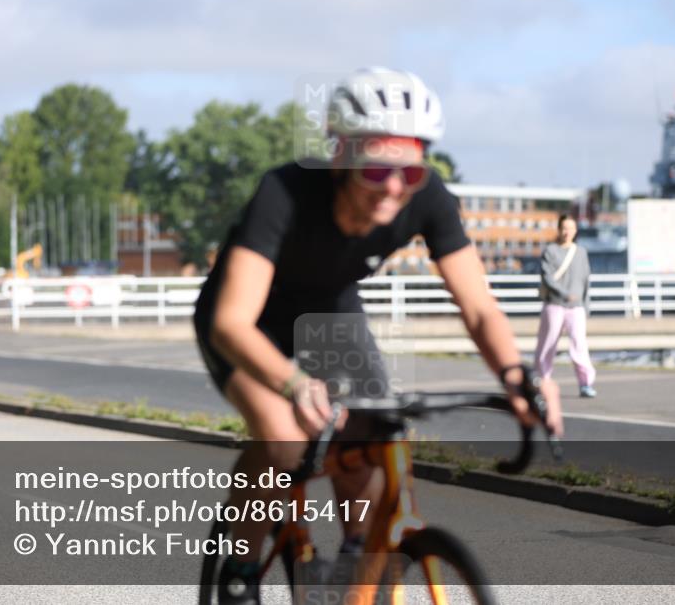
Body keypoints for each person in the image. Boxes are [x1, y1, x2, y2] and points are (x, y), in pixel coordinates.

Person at [193, 67, 563, 604]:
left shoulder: (427, 196)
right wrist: (294, 383)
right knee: (285, 438)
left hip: (330, 310)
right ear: (341, 155)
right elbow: (232, 322)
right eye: (375, 171)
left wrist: (515, 373)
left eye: (408, 172)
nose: (393, 188)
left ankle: (353, 570)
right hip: (247, 322)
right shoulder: (285, 191)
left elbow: (479, 306)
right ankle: (241, 570)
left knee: (370, 437)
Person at [535, 214, 597, 398]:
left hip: (576, 307)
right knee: (547, 345)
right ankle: (543, 381)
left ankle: (586, 383)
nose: (567, 232)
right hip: (554, 304)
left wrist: (586, 305)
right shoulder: (550, 251)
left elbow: (586, 279)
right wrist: (564, 293)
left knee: (579, 344)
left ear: (575, 230)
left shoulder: (581, 252)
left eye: (570, 228)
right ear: (558, 229)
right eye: (564, 228)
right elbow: (547, 277)